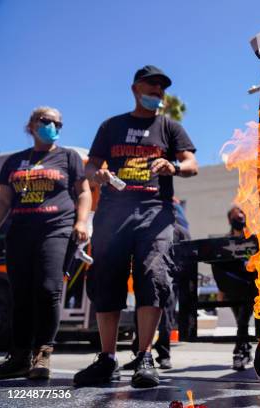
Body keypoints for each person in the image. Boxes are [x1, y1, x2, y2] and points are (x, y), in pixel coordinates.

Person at [73, 65, 198, 388]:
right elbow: (91, 166)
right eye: (151, 85)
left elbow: (191, 164)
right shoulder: (111, 126)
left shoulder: (170, 127)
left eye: (162, 87)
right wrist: (97, 174)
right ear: (135, 88)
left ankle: (144, 356)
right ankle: (107, 359)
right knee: (106, 281)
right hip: (113, 214)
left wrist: (174, 166)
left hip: (155, 213)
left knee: (153, 277)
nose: (157, 91)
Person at [0, 106, 92, 380]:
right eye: (47, 121)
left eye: (58, 124)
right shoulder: (14, 162)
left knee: (48, 288)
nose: (53, 126)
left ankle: (43, 354)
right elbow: (3, 200)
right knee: (21, 294)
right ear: (32, 125)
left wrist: (81, 221)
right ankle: (18, 357)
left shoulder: (69, 157)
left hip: (56, 228)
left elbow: (84, 192)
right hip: (20, 232)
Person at [123, 199, 190, 371]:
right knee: (142, 312)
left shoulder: (179, 231)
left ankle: (164, 355)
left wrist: (175, 275)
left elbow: (186, 256)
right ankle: (140, 354)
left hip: (170, 280)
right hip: (149, 277)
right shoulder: (151, 228)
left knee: (165, 318)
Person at [211, 206, 258, 371]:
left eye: (241, 214)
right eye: (235, 216)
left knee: (243, 319)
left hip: (250, 288)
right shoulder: (226, 241)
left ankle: (239, 352)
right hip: (233, 289)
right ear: (229, 219)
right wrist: (221, 291)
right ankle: (245, 350)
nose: (239, 217)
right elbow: (220, 269)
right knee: (241, 320)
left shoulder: (252, 239)